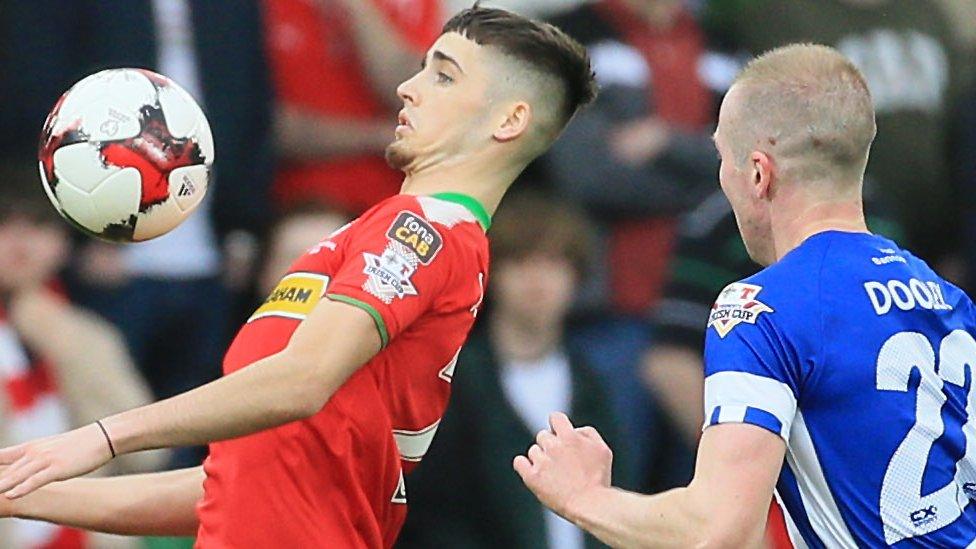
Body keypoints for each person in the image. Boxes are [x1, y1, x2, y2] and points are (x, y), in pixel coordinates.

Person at [0, 6, 597, 548]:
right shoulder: (379, 233)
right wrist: (21, 493)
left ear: (509, 120)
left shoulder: (425, 231)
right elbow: (231, 484)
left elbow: (301, 378)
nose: (406, 88)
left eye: (442, 75)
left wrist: (103, 437)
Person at [515, 43, 976, 547]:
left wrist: (584, 497)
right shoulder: (948, 300)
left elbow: (717, 529)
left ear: (759, 174)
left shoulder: (760, 309)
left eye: (723, 160)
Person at [398, 193, 636, 549]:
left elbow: (623, 496)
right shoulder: (453, 380)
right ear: (494, 274)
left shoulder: (595, 383)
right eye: (521, 261)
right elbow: (436, 511)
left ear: (576, 276)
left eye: (554, 262)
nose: (537, 280)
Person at [0, 162, 166, 548]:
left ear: (62, 241)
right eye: (5, 222)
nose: (21, 241)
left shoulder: (88, 334)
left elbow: (150, 456)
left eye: (39, 226)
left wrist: (65, 341)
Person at [266, 0, 443, 214]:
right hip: (298, 205)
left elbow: (420, 94)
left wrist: (357, 8)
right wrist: (378, 136)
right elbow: (260, 126)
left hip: (400, 201)